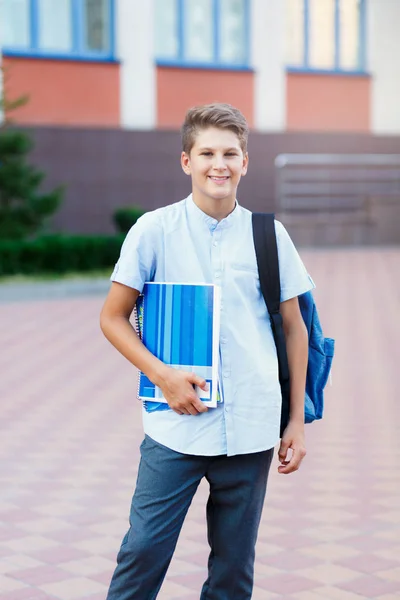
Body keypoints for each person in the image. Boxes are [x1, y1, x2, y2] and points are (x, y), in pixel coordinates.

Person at [100, 103, 314, 600]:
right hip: (175, 425)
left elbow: (294, 328)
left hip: (251, 426)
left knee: (234, 570)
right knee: (143, 553)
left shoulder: (269, 235)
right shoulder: (153, 231)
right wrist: (164, 376)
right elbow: (112, 317)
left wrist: (296, 421)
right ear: (186, 161)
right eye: (207, 153)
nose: (219, 163)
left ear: (245, 162)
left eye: (230, 153)